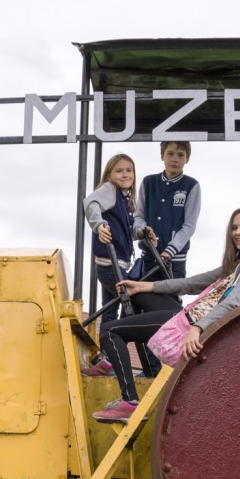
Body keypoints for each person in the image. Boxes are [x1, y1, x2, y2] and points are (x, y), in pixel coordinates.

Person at [92, 207, 240, 422]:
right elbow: (192, 283)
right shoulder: (237, 265)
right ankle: (131, 360)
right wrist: (144, 286)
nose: (238, 232)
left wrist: (198, 328)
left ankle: (129, 401)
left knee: (109, 331)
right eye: (234, 228)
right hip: (190, 318)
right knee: (134, 293)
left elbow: (234, 303)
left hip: (196, 328)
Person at [81, 154, 137, 377]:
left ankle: (106, 359)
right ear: (109, 175)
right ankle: (113, 357)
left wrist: (142, 233)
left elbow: (126, 230)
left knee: (111, 310)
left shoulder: (124, 199)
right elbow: (90, 202)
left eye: (129, 170)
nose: (125, 175)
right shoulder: (109, 190)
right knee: (131, 302)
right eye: (119, 171)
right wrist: (99, 225)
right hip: (109, 263)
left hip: (117, 263)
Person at [133, 141, 200, 281]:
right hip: (148, 258)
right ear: (162, 156)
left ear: (187, 159)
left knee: (171, 295)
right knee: (143, 295)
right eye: (170, 154)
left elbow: (189, 225)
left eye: (180, 155)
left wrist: (171, 249)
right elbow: (139, 216)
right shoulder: (148, 182)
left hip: (175, 262)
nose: (175, 159)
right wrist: (144, 232)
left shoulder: (191, 185)